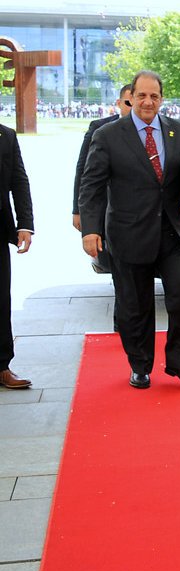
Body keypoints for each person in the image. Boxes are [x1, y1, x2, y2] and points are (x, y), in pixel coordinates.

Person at [78, 70, 180, 390]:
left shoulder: (179, 131)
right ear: (130, 98)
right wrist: (90, 229)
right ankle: (140, 365)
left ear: (162, 99)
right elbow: (91, 185)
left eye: (155, 96)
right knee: (135, 304)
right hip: (128, 233)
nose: (149, 102)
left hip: (174, 232)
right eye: (142, 96)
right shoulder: (108, 135)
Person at [0, 123, 34, 389]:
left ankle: (2, 366)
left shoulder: (6, 135)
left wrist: (24, 224)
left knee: (1, 299)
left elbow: (19, 181)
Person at [73, 85, 131, 232]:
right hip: (104, 209)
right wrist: (77, 210)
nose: (132, 108)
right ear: (118, 103)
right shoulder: (99, 128)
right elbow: (83, 170)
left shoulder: (150, 131)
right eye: (127, 103)